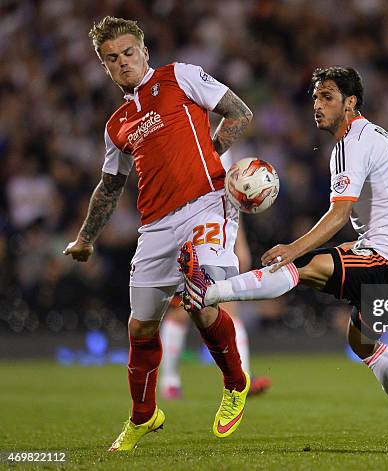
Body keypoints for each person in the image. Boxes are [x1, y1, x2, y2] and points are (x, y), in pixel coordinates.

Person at [179, 66, 388, 445]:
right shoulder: (375, 136)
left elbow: (339, 214)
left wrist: (293, 248)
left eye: (328, 97)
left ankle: (209, 293)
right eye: (315, 97)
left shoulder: (353, 141)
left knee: (302, 265)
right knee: (362, 343)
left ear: (350, 103)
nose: (317, 106)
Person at [63, 16, 253, 451]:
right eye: (113, 58)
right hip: (155, 227)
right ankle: (144, 416)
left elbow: (240, 114)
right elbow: (110, 186)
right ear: (105, 67)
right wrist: (86, 237)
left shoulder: (179, 77)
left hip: (207, 203)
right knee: (141, 327)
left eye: (129, 53)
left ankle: (235, 383)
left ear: (145, 52)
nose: (123, 62)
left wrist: (211, 152)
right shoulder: (116, 125)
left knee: (202, 298)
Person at [160, 223, 271, 399]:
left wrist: (240, 243)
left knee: (227, 308)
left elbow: (233, 199)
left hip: (218, 237)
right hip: (186, 233)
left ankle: (243, 378)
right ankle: (170, 380)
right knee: (180, 312)